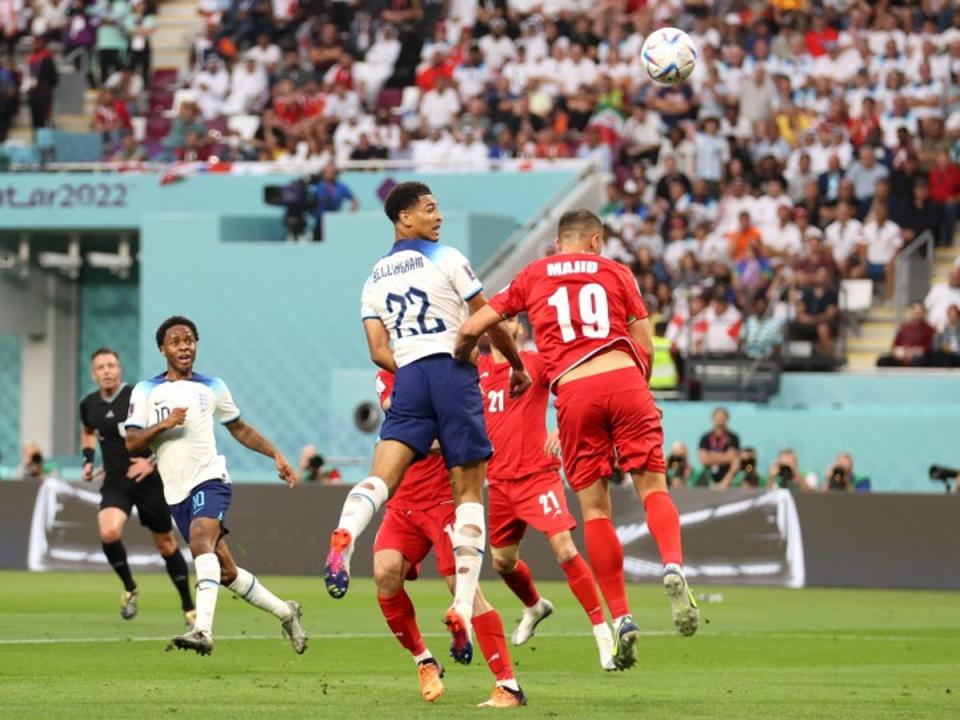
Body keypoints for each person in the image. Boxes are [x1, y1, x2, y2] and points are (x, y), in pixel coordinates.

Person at [455, 209, 698, 672]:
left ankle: (622, 617)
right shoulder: (615, 271)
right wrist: (640, 392)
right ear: (595, 240)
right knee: (653, 488)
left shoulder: (532, 274)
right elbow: (643, 342)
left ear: (558, 242)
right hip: (624, 379)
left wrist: (461, 355)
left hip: (575, 390)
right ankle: (672, 565)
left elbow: (476, 324)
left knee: (595, 511)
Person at [323, 181, 530, 666]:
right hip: (452, 369)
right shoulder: (448, 257)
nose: (438, 217)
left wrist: (414, 372)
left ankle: (345, 533)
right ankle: (460, 606)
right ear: (404, 219)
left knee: (380, 476)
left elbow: (377, 350)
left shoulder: (374, 278)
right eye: (429, 209)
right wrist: (515, 363)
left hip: (410, 373)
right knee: (471, 491)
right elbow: (485, 320)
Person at [125, 316, 306, 656]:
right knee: (225, 571)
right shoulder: (146, 390)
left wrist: (275, 454)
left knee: (199, 542)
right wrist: (164, 424)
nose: (184, 346)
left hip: (211, 479)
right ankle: (286, 612)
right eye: (176, 341)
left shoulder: (212, 387)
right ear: (162, 349)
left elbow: (239, 428)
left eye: (189, 340)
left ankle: (202, 631)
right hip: (175, 493)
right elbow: (132, 443)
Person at [373, 370, 526, 707]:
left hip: (446, 500)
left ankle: (509, 686)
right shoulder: (388, 373)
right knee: (385, 574)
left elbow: (426, 435)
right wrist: (441, 430)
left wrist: (431, 434)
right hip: (403, 500)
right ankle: (425, 661)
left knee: (462, 590)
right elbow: (403, 421)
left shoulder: (453, 371)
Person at [477, 318, 614, 670]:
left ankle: (603, 632)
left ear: (520, 330)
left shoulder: (535, 364)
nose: (505, 324)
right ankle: (535, 606)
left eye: (511, 319)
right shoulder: (472, 371)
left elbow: (578, 391)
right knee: (501, 562)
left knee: (565, 548)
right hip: (499, 481)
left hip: (538, 476)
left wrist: (563, 427)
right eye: (499, 319)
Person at [80, 348, 195, 623]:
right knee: (108, 533)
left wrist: (151, 461)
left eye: (111, 365)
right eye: (101, 367)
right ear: (93, 374)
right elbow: (87, 430)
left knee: (166, 545)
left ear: (119, 369)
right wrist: (88, 459)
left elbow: (165, 430)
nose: (106, 371)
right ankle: (130, 588)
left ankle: (188, 606)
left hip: (148, 480)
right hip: (116, 481)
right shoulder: (89, 404)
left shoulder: (139, 396)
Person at [875, 303, 936, 367]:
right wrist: (897, 351)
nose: (917, 315)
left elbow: (929, 348)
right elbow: (895, 345)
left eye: (919, 313)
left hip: (918, 357)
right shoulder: (904, 327)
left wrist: (914, 352)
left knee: (918, 361)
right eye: (915, 312)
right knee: (882, 361)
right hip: (902, 355)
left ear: (924, 313)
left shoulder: (930, 329)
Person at [310, 162, 359, 241]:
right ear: (324, 173)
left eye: (332, 172)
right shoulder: (317, 186)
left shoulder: (341, 186)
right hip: (319, 222)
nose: (330, 174)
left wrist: (349, 214)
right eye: (327, 172)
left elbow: (355, 201)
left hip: (334, 222)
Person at [697, 407, 740, 489]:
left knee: (736, 463)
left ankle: (724, 483)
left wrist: (711, 456)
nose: (720, 419)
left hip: (727, 478)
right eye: (718, 417)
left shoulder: (733, 437)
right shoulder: (705, 438)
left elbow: (732, 457)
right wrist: (725, 456)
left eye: (722, 417)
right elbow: (703, 459)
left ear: (727, 419)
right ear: (713, 419)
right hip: (709, 476)